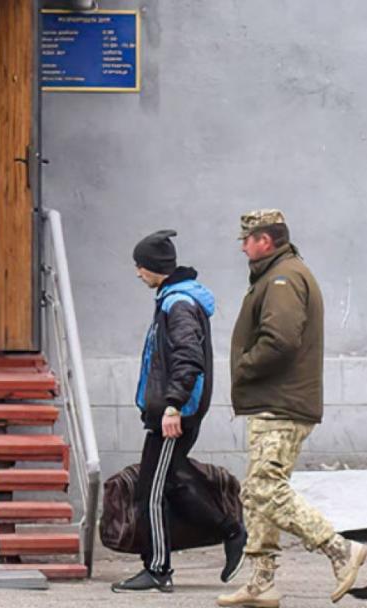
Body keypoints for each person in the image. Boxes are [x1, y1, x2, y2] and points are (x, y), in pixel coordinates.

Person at [217, 210, 367, 608]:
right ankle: (261, 584)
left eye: (246, 239)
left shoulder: (283, 278)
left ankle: (340, 550)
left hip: (281, 403)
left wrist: (244, 367)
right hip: (275, 402)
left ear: (265, 240)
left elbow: (280, 340)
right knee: (258, 495)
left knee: (266, 487)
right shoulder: (278, 273)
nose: (243, 246)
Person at [112, 229, 248, 593]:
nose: (138, 272)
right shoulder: (173, 299)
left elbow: (188, 359)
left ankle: (158, 568)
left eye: (140, 266)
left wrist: (172, 406)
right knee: (167, 480)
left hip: (176, 413)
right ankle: (231, 531)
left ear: (154, 267)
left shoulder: (179, 304)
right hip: (173, 410)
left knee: (150, 492)